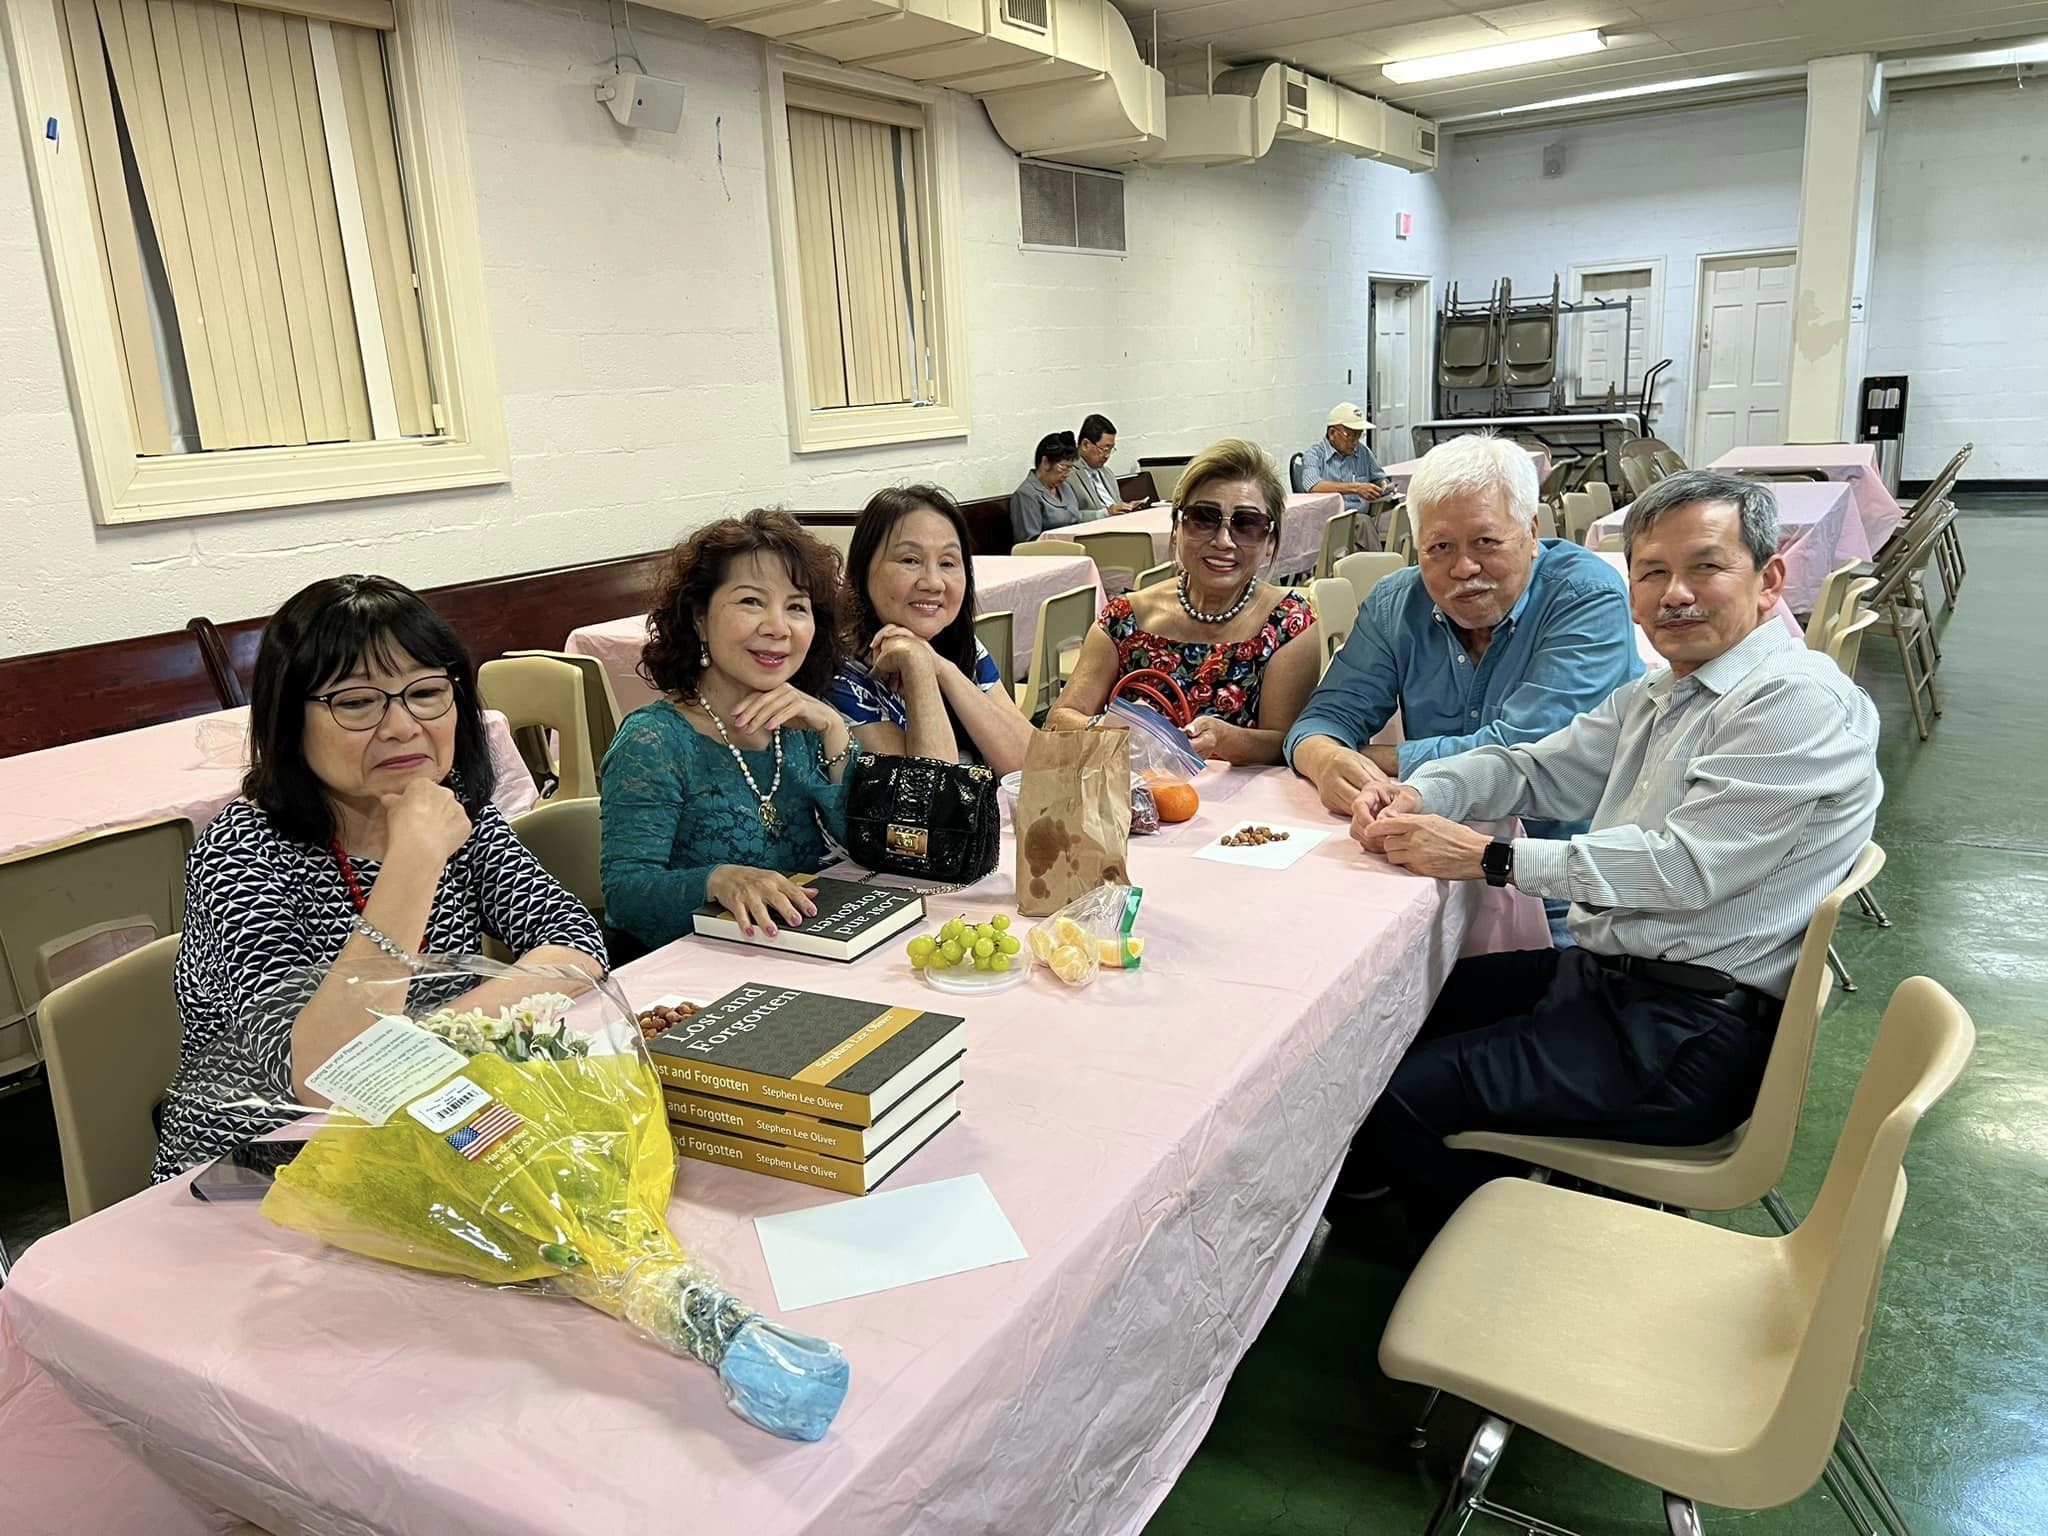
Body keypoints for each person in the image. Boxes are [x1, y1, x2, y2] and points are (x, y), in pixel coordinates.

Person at [1337, 471, 1881, 1243]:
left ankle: (1490, 1267)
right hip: (1615, 982)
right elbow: (1536, 766)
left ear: (1770, 581)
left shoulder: (1790, 702)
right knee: (1392, 1015)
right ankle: (1449, 1193)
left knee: (1391, 1095)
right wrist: (1424, 791)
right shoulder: (1672, 690)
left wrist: (1491, 859)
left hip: (1684, 1035)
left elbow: (1681, 869)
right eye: (1653, 572)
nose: (1675, 594)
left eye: (1705, 567)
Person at [154, 576, 608, 1180]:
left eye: (426, 692)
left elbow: (575, 943)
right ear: (289, 720)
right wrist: (414, 860)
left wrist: (423, 1039)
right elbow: (325, 1080)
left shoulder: (453, 806)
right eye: (357, 702)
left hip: (422, 1119)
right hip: (261, 1168)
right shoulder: (241, 851)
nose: (401, 726)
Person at [1284, 433, 1642, 945]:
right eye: (1440, 548)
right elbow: (1327, 716)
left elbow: (1530, 750)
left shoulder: (1584, 595)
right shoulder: (1396, 603)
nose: (1463, 568)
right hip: (1424, 885)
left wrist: (1371, 757)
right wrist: (1323, 757)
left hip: (1564, 901)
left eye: (1486, 543)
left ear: (1531, 531)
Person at [600, 511, 855, 953]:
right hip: (693, 966)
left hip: (802, 950)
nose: (778, 627)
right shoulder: (654, 740)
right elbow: (626, 896)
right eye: (751, 602)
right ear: (699, 618)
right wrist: (716, 879)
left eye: (796, 607)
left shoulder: (804, 726)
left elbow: (870, 850)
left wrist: (834, 730)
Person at [1048, 438, 1317, 765]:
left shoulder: (1288, 624)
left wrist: (1226, 739)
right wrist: (1108, 730)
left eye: (1247, 524)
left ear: (1270, 541)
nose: (1223, 541)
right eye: (1203, 518)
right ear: (1177, 528)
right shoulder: (1125, 620)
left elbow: (1287, 744)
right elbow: (1059, 721)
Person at [830, 484, 1035, 773]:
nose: (934, 583)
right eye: (910, 560)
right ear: (863, 569)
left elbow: (1031, 764)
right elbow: (933, 792)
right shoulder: (841, 676)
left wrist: (941, 668)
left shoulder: (962, 645)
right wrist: (918, 665)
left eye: (948, 563)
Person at [1303, 402, 1392, 515]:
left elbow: (1379, 477)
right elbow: (1313, 485)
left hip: (1360, 515)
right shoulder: (1314, 454)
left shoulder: (1363, 451)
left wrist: (1383, 485)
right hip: (1330, 519)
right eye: (1350, 436)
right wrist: (1356, 488)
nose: (1355, 442)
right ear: (1332, 433)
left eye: (1359, 435)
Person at [1010, 431, 1099, 543]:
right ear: (1045, 462)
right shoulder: (1026, 495)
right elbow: (1029, 543)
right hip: (1051, 552)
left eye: (1070, 468)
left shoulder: (1065, 488)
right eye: (1063, 467)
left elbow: (1077, 520)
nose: (1066, 474)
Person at [1072, 414, 1138, 515]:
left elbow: (1116, 504)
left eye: (1110, 449)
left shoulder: (1107, 473)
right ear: (1085, 445)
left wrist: (1127, 507)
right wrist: (1106, 513)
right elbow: (1070, 516)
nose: (1107, 456)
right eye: (1104, 449)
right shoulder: (1068, 474)